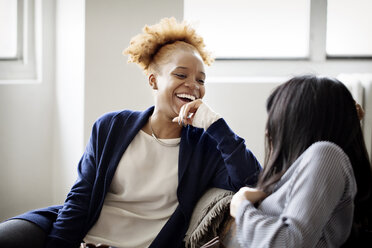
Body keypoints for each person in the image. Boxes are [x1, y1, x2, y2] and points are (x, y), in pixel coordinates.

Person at [0, 17, 261, 248]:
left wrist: (216, 124)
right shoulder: (110, 127)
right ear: (153, 80)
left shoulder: (206, 146)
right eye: (181, 75)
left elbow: (254, 182)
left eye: (201, 80)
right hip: (86, 236)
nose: (193, 85)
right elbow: (81, 197)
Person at [229, 75, 372, 247]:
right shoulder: (304, 170)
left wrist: (241, 207)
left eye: (277, 118)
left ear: (300, 123)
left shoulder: (326, 154)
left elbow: (289, 242)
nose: (268, 131)